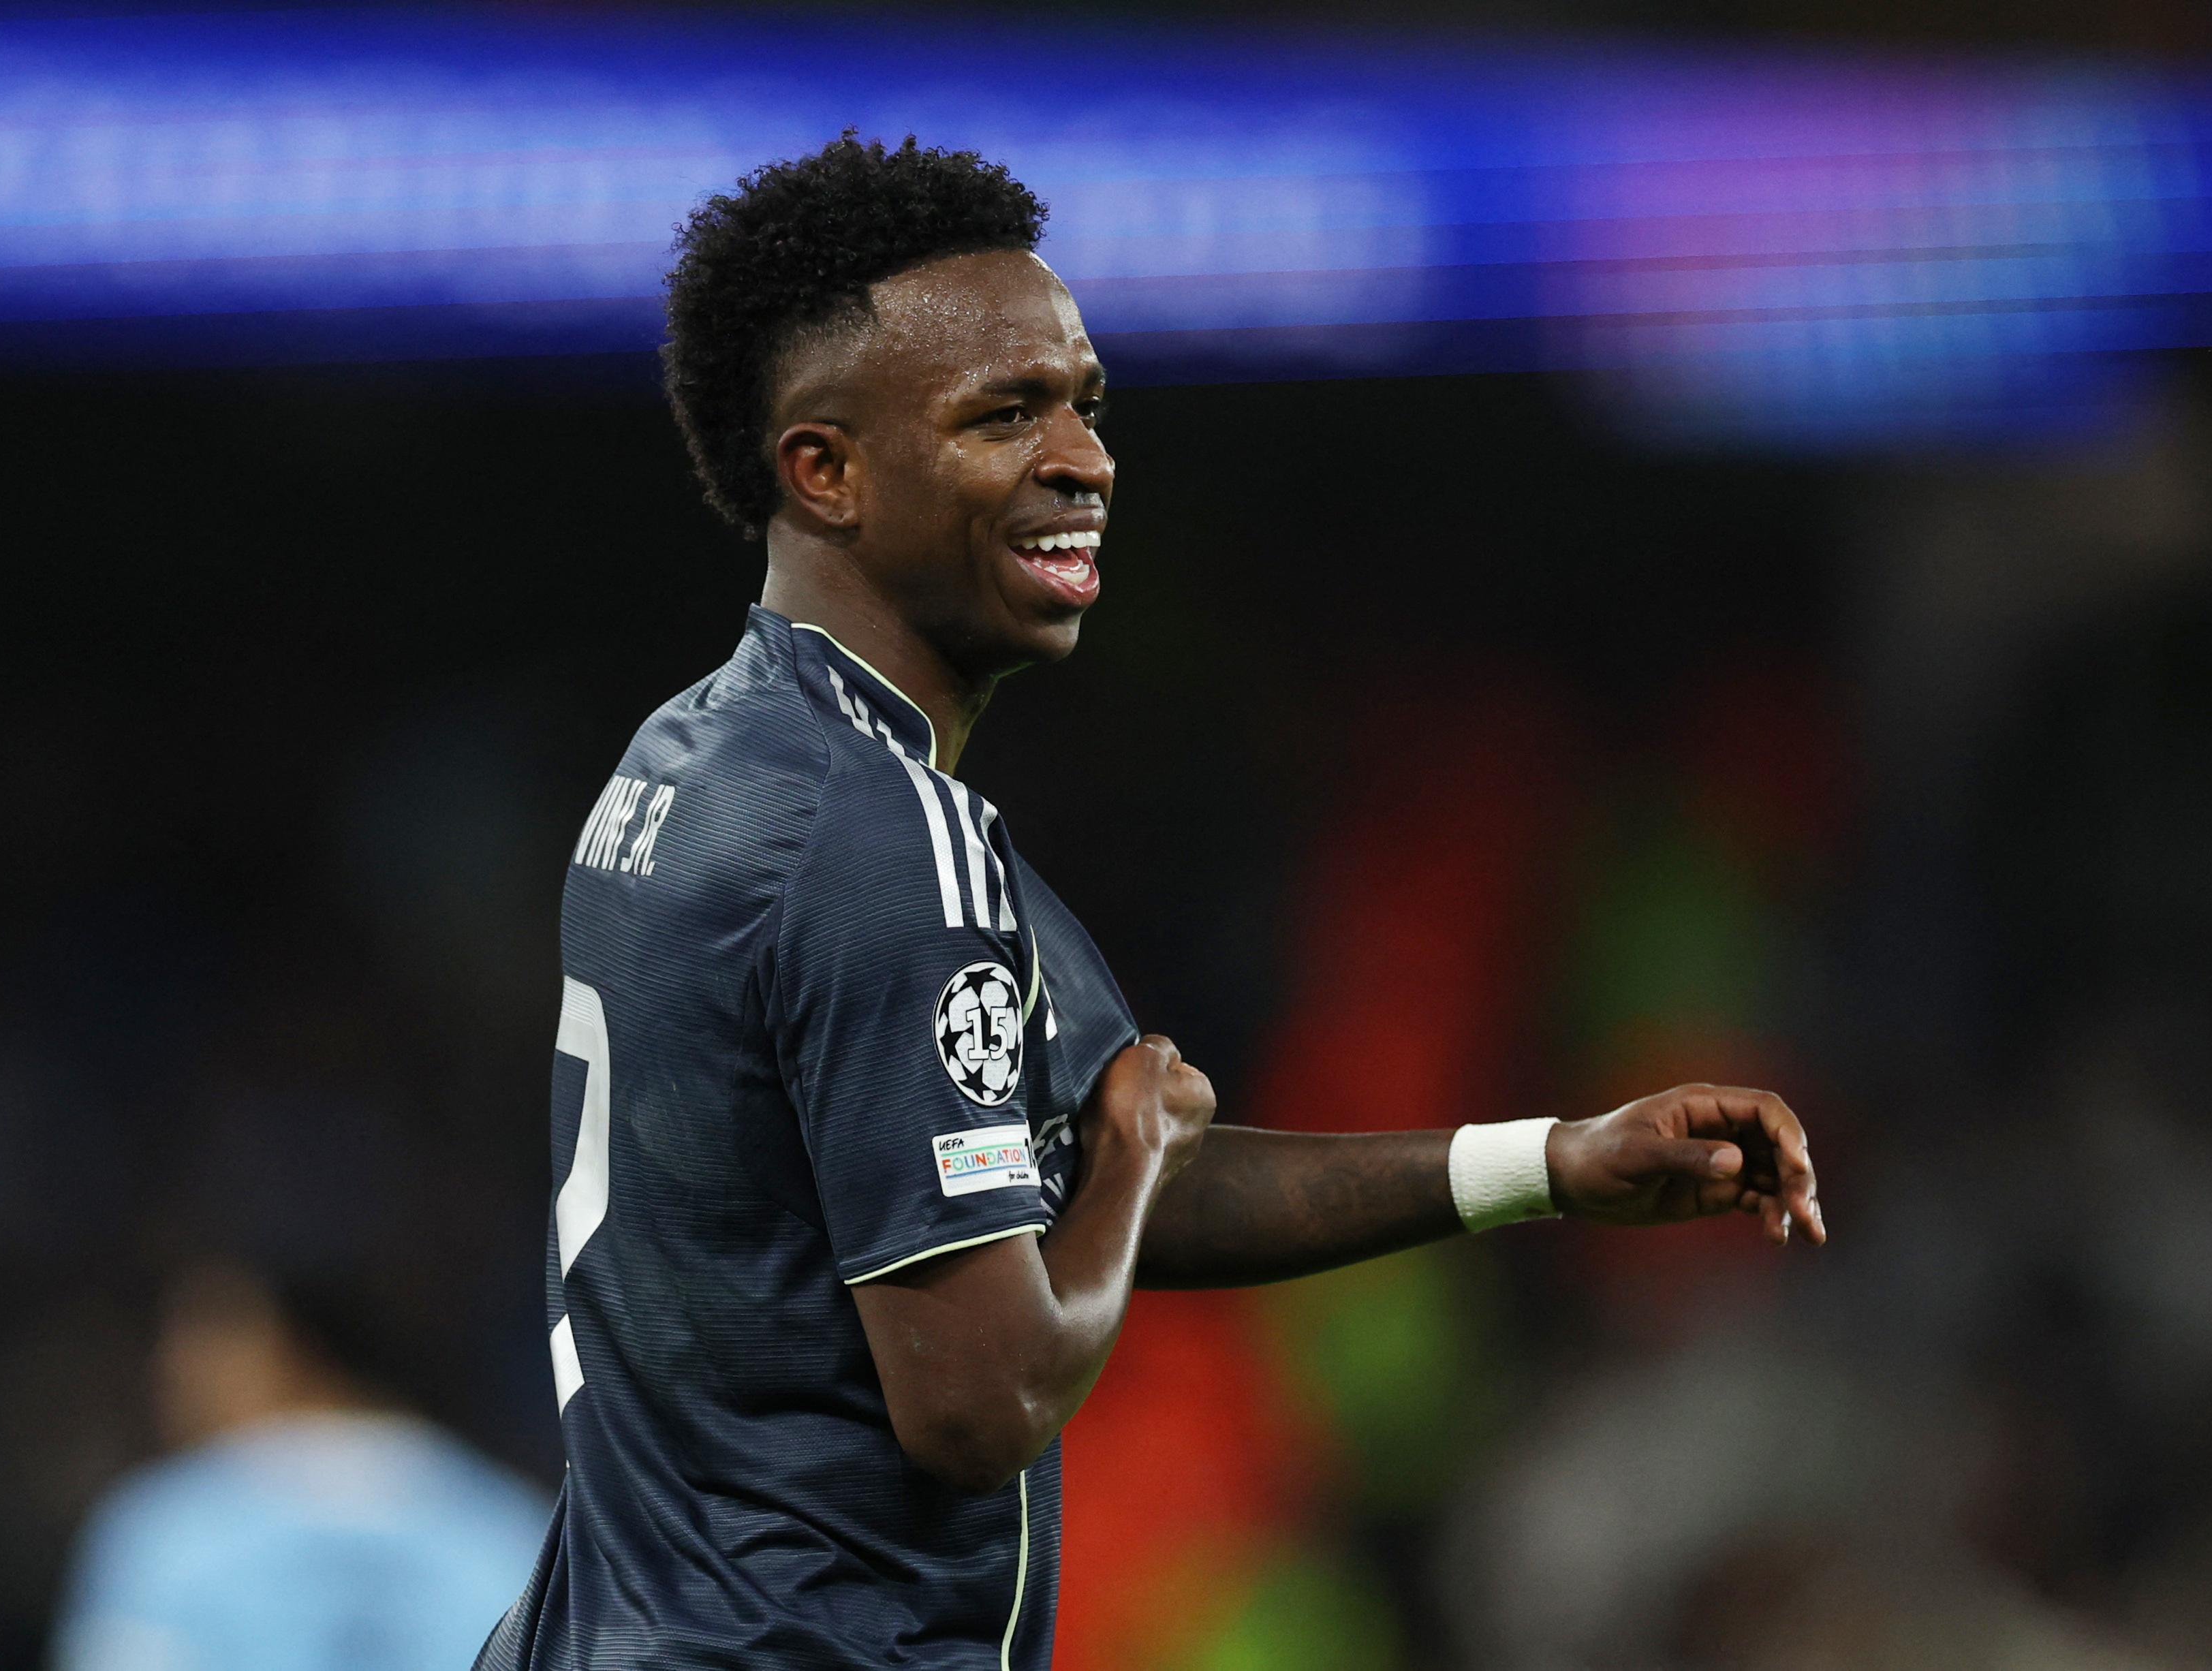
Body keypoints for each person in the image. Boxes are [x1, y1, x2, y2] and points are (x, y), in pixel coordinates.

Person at [476, 133, 1824, 1671]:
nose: (1083, 459)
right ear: (823, 469)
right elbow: (983, 1394)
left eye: (1083, 404)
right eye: (1005, 414)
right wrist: (1122, 1159)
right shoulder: (876, 839)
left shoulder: (694, 760)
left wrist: (1551, 1160)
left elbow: (1030, 1183)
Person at [54, 1259, 548, 1671]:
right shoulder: (511, 1522)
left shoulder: (168, 1527)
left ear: (296, 1346)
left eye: (208, 1336)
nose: (170, 1371)